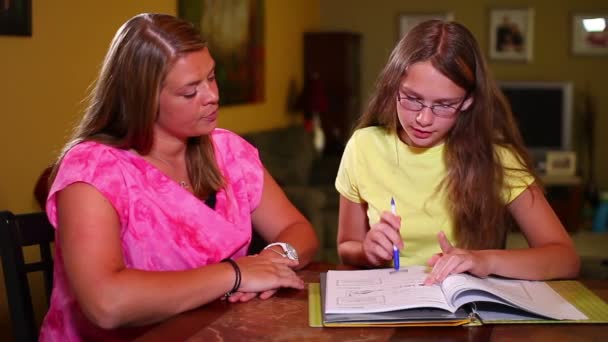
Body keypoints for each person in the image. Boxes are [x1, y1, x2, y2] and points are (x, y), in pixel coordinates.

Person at [39, 13, 318, 341]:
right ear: (144, 100)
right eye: (190, 92)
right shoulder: (92, 170)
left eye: (211, 78)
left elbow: (300, 231)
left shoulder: (228, 151)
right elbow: (106, 303)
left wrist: (274, 259)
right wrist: (236, 274)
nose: (212, 96)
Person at [335, 20, 579, 285]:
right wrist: (366, 251)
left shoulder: (496, 159)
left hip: (467, 314)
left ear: (468, 101)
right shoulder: (363, 146)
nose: (424, 119)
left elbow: (565, 258)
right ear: (394, 87)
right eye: (413, 98)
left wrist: (484, 260)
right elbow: (346, 246)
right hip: (388, 304)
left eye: (443, 105)